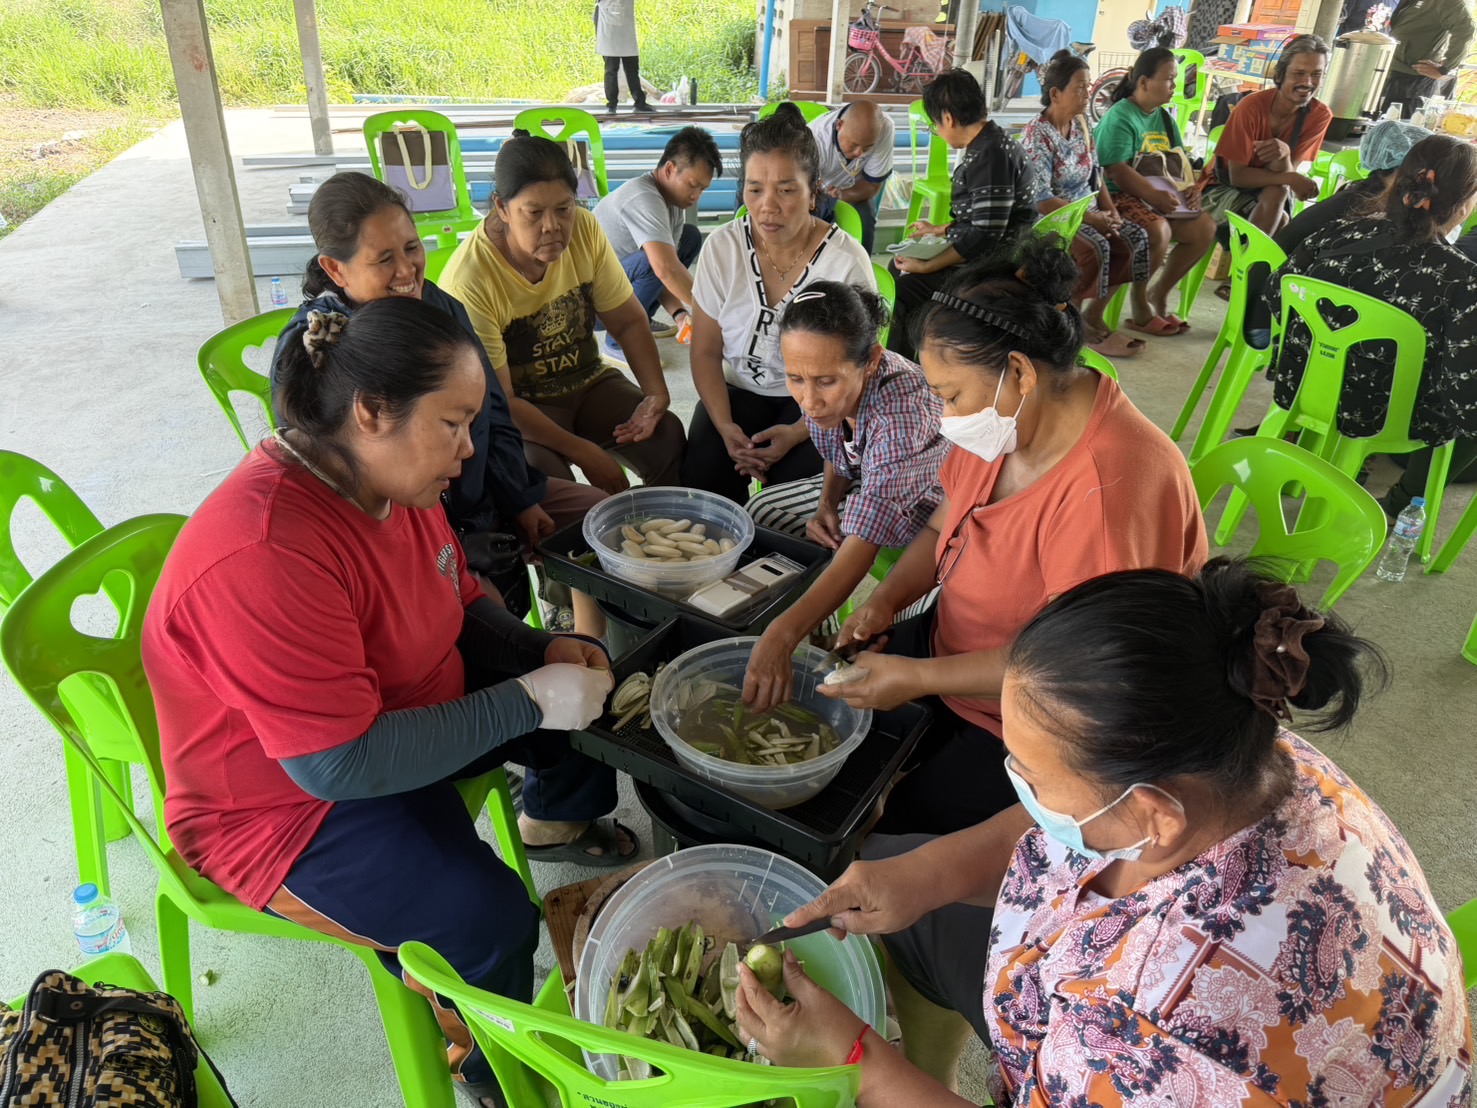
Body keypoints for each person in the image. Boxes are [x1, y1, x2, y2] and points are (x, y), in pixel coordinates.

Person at [733, 561, 1473, 1106]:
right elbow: (1055, 827)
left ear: (1154, 815)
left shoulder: (1166, 1022)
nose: (1017, 783)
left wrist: (855, 1058)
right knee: (897, 863)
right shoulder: (1238, 748)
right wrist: (926, 875)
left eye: (1031, 771)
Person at [144, 299, 638, 1108]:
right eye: (452, 423)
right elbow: (340, 759)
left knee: (592, 722)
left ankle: (551, 820)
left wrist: (535, 652)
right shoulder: (265, 551)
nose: (469, 448)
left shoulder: (387, 477)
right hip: (285, 805)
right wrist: (526, 700)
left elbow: (459, 595)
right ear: (373, 412)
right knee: (487, 922)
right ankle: (486, 1065)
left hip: (393, 710)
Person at [817, 237, 1207, 839]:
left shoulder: (1108, 492)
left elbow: (1070, 672)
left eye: (950, 397)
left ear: (1020, 371)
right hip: (955, 648)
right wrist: (886, 599)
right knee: (847, 755)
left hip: (1039, 718)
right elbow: (943, 522)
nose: (946, 419)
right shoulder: (1007, 422)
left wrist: (917, 678)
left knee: (893, 832)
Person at [273, 171, 608, 634]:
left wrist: (522, 498)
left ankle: (576, 620)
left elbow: (492, 412)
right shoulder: (322, 350)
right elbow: (356, 501)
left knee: (606, 520)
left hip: (481, 495)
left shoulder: (441, 308)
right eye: (384, 259)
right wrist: (457, 545)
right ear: (335, 269)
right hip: (413, 539)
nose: (407, 271)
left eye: (412, 248)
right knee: (490, 628)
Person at [740, 282, 949, 711]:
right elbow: (838, 446)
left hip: (937, 516)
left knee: (920, 629)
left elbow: (864, 544)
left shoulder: (904, 413)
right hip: (867, 491)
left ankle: (806, 630)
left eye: (825, 381)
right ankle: (819, 628)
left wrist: (780, 635)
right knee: (763, 511)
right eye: (795, 379)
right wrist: (827, 505)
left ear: (871, 361)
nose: (809, 400)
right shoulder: (823, 381)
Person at [439, 132, 685, 493]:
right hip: (523, 408)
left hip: (587, 383)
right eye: (534, 213)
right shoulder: (470, 280)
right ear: (502, 208)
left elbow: (629, 321)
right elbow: (502, 401)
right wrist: (585, 452)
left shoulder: (585, 229)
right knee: (549, 482)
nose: (552, 225)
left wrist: (655, 395)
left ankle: (660, 537)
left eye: (564, 209)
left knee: (667, 436)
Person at [1264, 133, 1477, 519]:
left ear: (1399, 183)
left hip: (1301, 388)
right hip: (1384, 416)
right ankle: (1400, 505)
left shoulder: (1337, 233)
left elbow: (1274, 294)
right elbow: (1465, 393)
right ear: (1462, 207)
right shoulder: (1462, 280)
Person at [682, 104, 876, 504]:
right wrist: (724, 427)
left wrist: (800, 431)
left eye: (786, 190)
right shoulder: (722, 248)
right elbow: (704, 351)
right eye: (755, 189)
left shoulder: (845, 262)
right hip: (735, 394)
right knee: (702, 488)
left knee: (792, 504)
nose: (767, 206)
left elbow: (858, 370)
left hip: (817, 404)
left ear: (812, 193)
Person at [887, 69, 1037, 362]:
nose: (939, 132)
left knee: (902, 287)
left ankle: (903, 370)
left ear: (948, 118)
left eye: (935, 125)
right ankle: (915, 356)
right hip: (996, 250)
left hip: (995, 263)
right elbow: (985, 217)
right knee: (899, 266)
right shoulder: (991, 143)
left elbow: (983, 236)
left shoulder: (989, 155)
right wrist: (939, 229)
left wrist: (928, 267)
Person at [1243, 119, 1432, 341]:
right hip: (1274, 321)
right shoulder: (1370, 211)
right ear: (1411, 171)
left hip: (1262, 306)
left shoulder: (1359, 191)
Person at [1020, 50, 1153, 360]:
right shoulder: (1037, 135)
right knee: (1096, 247)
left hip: (1086, 210)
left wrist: (1112, 212)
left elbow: (1096, 175)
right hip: (1053, 217)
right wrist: (1093, 221)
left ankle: (1094, 314)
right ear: (1055, 93)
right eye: (1080, 86)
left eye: (1089, 85)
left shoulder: (1081, 124)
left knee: (1133, 238)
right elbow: (1041, 201)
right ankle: (1071, 324)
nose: (1087, 92)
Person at [1094, 48, 1217, 336]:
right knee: (1157, 230)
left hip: (1159, 196)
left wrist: (1191, 190)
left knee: (1204, 228)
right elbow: (1116, 171)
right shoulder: (1121, 116)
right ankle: (1137, 301)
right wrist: (1153, 195)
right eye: (1169, 79)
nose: (1174, 86)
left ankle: (1157, 293)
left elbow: (1179, 162)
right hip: (1118, 197)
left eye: (1175, 80)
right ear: (1144, 81)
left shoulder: (1163, 118)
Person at [1198, 34, 1332, 254]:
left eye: (1316, 74)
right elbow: (1237, 176)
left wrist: (1285, 157)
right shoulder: (1250, 108)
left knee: (1277, 197)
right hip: (1220, 189)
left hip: (1270, 193)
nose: (1307, 83)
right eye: (1299, 73)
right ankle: (1244, 277)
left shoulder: (1319, 115)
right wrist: (1290, 177)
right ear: (1280, 75)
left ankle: (1242, 275)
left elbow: (1286, 172)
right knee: (1281, 216)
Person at [592, 126, 721, 349]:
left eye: (703, 189)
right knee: (654, 261)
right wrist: (712, 313)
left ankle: (642, 320)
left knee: (689, 238)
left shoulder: (673, 206)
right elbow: (664, 269)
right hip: (592, 306)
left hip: (616, 288)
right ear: (670, 169)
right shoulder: (643, 197)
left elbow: (665, 272)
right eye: (692, 185)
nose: (696, 196)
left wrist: (680, 313)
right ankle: (617, 340)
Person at [808, 101, 894, 254]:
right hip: (814, 190)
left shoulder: (884, 128)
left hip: (853, 187)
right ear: (839, 126)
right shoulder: (815, 139)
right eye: (853, 145)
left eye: (867, 147)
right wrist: (825, 195)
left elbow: (872, 186)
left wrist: (842, 195)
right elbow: (802, 190)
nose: (859, 153)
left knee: (865, 216)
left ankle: (863, 268)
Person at [1379, 0, 1475, 120]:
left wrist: (1445, 68)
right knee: (1380, 125)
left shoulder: (1447, 2)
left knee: (1401, 128)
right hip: (1389, 70)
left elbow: (1465, 31)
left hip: (1413, 78)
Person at [594, 0, 650, 115]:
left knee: (632, 68)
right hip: (608, 20)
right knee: (611, 69)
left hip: (626, 25)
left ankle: (640, 102)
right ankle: (611, 105)